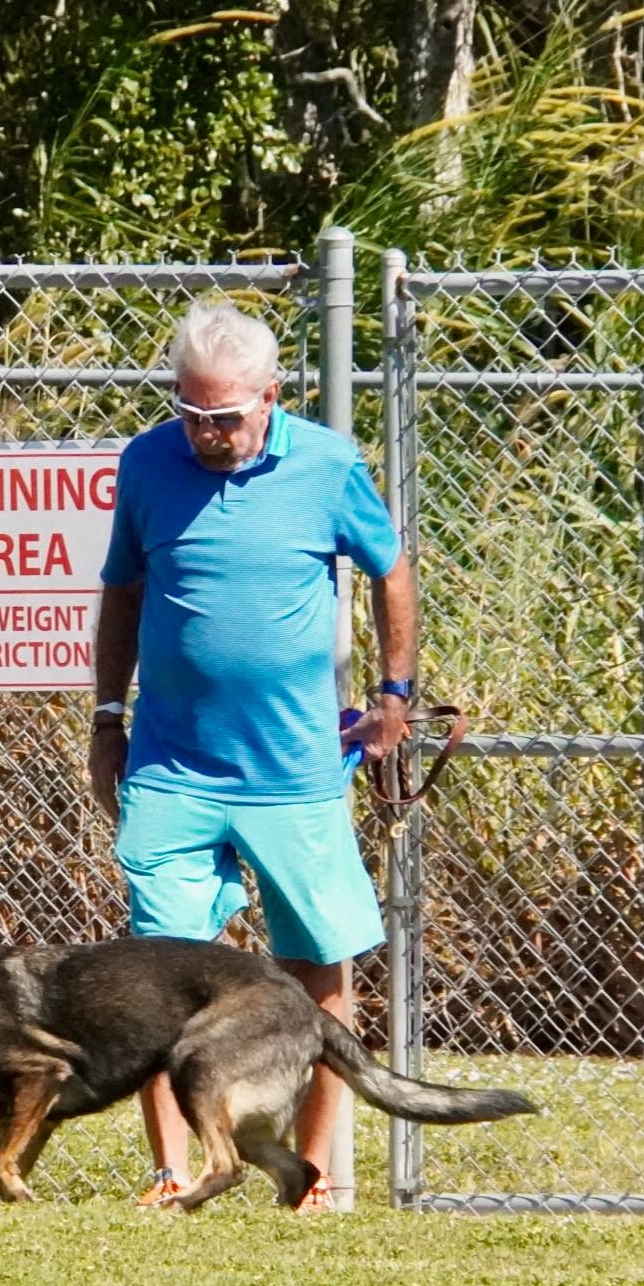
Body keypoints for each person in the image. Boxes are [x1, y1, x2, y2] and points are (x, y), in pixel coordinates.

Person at [89, 299, 416, 1211]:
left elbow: (390, 569)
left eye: (225, 416)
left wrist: (394, 697)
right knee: (157, 978)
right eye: (190, 413)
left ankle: (311, 1181)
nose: (206, 433)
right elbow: (122, 592)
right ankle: (169, 1172)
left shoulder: (326, 465)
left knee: (318, 973)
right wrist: (107, 719)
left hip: (293, 775)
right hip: (170, 770)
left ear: (270, 397)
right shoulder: (147, 462)